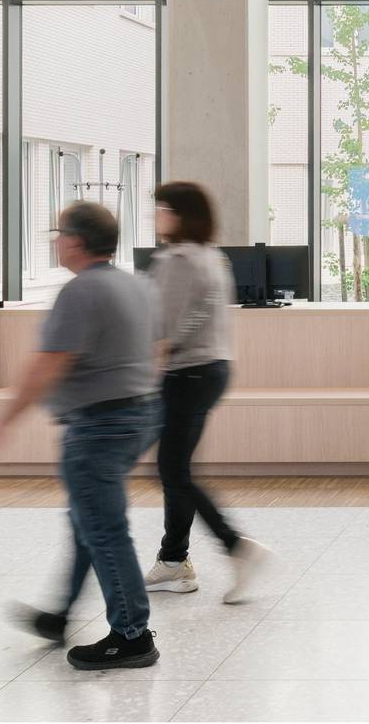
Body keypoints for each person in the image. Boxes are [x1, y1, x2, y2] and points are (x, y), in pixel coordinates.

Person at [0, 201, 161, 671]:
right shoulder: (133, 285)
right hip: (137, 415)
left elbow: (48, 365)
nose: (55, 241)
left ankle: (132, 635)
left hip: (99, 426)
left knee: (103, 528)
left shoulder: (81, 292)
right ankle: (61, 616)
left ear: (75, 241)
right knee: (87, 523)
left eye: (58, 234)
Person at [142, 181, 271, 602]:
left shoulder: (178, 260)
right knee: (173, 469)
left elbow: (165, 329)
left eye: (161, 208)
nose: (155, 215)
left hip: (186, 373)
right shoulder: (214, 257)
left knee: (173, 471)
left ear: (179, 214)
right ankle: (174, 561)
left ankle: (236, 547)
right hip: (211, 368)